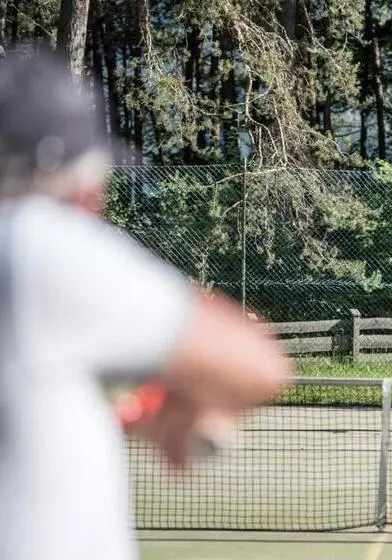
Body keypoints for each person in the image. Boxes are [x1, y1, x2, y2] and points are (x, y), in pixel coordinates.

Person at [0, 51, 292, 560]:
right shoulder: (31, 241)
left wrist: (128, 409)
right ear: (72, 179)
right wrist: (177, 406)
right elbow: (256, 365)